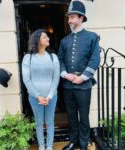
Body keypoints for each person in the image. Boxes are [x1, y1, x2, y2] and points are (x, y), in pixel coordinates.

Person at [58, 1, 100, 150]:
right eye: (68, 17)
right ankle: (73, 141)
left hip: (84, 85)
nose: (69, 20)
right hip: (68, 85)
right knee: (71, 116)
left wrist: (82, 77)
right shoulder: (64, 41)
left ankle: (83, 143)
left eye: (73, 17)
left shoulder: (92, 37)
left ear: (81, 18)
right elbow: (60, 60)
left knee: (83, 116)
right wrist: (65, 74)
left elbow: (95, 60)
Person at [22, 29, 60, 150]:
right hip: (34, 97)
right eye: (45, 37)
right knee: (38, 122)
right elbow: (26, 79)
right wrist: (38, 96)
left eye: (47, 37)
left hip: (51, 96)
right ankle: (41, 146)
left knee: (49, 122)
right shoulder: (28, 58)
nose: (48, 38)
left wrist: (49, 96)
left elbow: (56, 78)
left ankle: (49, 146)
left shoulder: (53, 57)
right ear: (37, 40)